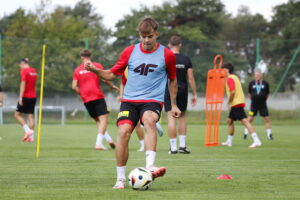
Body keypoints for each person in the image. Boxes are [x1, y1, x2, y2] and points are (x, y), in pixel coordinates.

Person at [85, 17, 181, 189]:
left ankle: (150, 166)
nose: (146, 40)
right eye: (142, 36)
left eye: (150, 36)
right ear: (139, 35)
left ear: (156, 34)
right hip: (129, 101)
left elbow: (173, 80)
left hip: (152, 100)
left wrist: (173, 104)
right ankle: (121, 179)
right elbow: (110, 75)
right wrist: (95, 70)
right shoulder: (129, 52)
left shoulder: (167, 55)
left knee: (149, 121)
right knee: (123, 133)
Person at [72, 49, 118, 150]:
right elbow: (104, 78)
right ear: (90, 57)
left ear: (82, 57)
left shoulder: (77, 70)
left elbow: (74, 87)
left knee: (98, 121)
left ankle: (109, 140)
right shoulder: (97, 66)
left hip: (86, 99)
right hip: (97, 96)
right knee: (104, 119)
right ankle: (98, 143)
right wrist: (112, 86)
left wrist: (82, 94)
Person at [117, 68, 164, 152]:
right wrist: (121, 95)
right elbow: (123, 83)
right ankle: (143, 143)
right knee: (135, 125)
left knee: (141, 123)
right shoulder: (127, 68)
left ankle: (147, 144)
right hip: (131, 101)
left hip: (146, 100)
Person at [165, 35, 197, 154]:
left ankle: (173, 148)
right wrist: (194, 94)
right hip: (183, 90)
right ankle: (182, 146)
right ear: (180, 45)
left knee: (171, 117)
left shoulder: (166, 58)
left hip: (169, 90)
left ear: (169, 45)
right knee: (182, 117)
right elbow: (191, 78)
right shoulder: (186, 59)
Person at [221, 63, 262, 148]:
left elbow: (232, 92)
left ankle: (256, 140)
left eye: (223, 69)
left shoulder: (230, 79)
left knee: (245, 122)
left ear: (227, 70)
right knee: (229, 121)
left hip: (236, 103)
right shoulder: (235, 77)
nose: (222, 71)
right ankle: (229, 141)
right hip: (237, 103)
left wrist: (229, 102)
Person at [244, 69, 273, 140]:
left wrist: (262, 99)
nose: (256, 77)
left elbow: (267, 94)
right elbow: (249, 94)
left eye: (258, 75)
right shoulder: (251, 83)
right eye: (255, 75)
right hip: (253, 105)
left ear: (261, 76)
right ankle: (245, 133)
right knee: (250, 118)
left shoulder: (265, 83)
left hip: (263, 105)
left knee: (267, 119)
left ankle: (269, 135)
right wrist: (254, 100)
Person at [14, 58, 37, 142]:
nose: (20, 68)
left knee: (17, 114)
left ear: (22, 64)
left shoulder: (24, 71)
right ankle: (31, 138)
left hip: (25, 96)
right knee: (30, 116)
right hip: (33, 96)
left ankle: (27, 131)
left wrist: (20, 97)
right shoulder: (34, 71)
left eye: (20, 66)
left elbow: (23, 84)